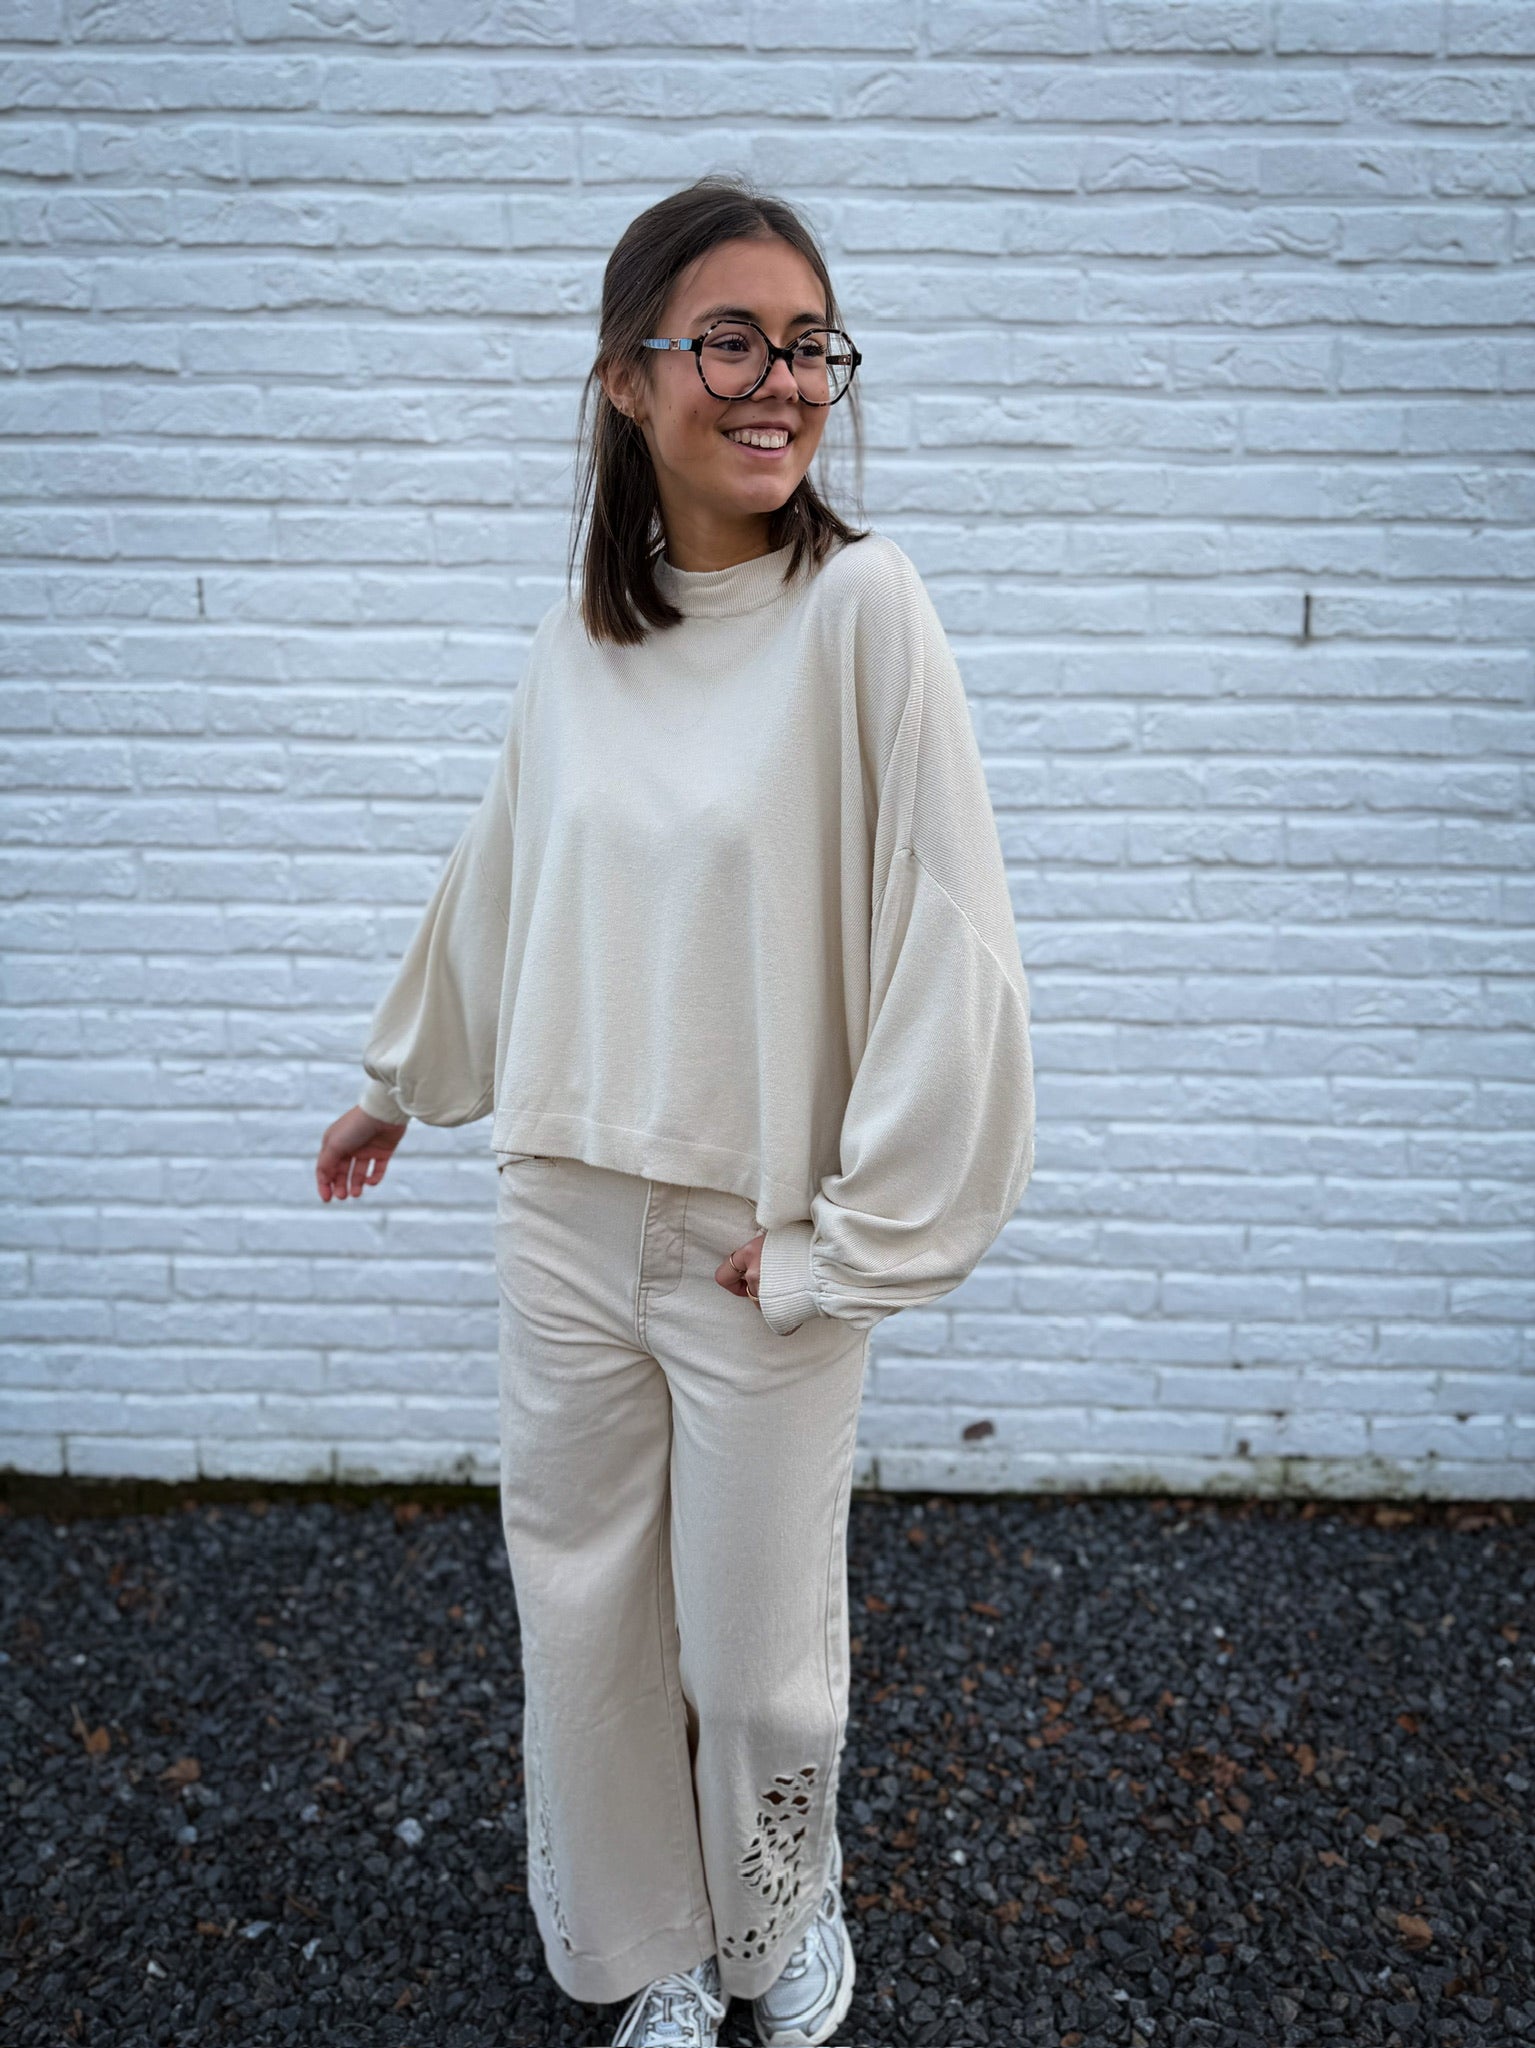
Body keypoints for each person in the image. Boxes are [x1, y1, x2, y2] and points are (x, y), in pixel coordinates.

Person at [314, 174, 1035, 2048]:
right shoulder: (582, 642)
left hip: (753, 1240)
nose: (780, 382)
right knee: (585, 1627)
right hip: (562, 1208)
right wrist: (402, 1083)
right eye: (730, 340)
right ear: (629, 380)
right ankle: (648, 1954)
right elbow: (504, 875)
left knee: (758, 1663)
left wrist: (847, 1248)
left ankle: (775, 1924)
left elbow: (950, 942)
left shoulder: (863, 613)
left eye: (809, 345)